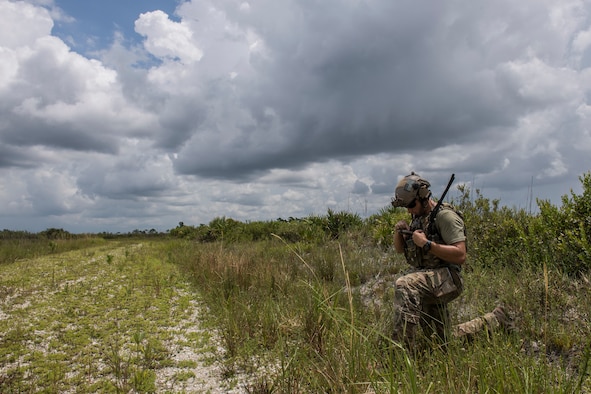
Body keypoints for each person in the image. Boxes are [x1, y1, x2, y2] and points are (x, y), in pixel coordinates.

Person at [390, 172, 513, 348]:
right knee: (440, 343)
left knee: (406, 284)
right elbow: (400, 249)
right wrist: (399, 232)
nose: (409, 210)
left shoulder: (445, 217)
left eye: (411, 205)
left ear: (423, 197)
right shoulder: (418, 218)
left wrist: (427, 244)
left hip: (449, 280)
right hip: (430, 280)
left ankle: (400, 352)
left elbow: (460, 255)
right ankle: (496, 320)